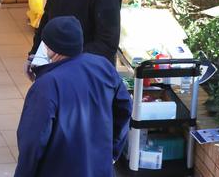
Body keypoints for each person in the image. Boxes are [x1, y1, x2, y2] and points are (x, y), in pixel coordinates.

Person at [15, 16, 132, 177]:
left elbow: (33, 140)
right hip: (98, 167)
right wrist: (112, 150)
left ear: (51, 48)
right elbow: (124, 108)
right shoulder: (103, 66)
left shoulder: (47, 85)